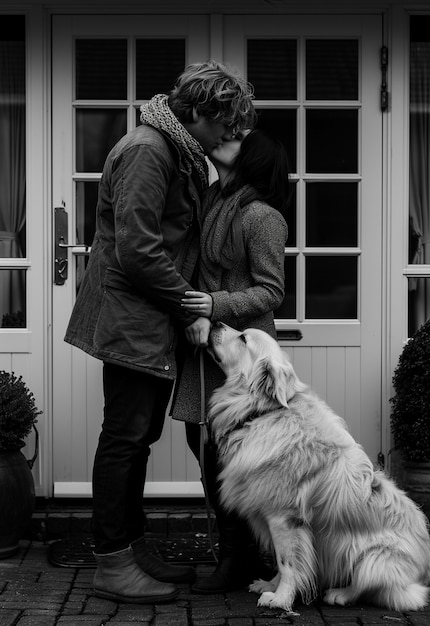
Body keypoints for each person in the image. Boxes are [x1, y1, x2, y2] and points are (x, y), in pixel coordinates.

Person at [64, 60, 256, 605]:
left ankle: (131, 547)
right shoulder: (149, 150)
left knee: (139, 435)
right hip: (132, 317)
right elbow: (139, 249)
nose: (230, 135)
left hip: (147, 317)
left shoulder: (173, 148)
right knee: (125, 437)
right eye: (224, 124)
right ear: (196, 112)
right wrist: (190, 308)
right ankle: (111, 563)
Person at [171, 128, 291, 593]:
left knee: (234, 458)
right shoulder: (211, 202)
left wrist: (214, 307)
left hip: (240, 352)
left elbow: (271, 291)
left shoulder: (262, 217)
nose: (226, 137)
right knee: (205, 451)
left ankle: (239, 559)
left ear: (254, 160)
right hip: (206, 347)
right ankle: (236, 554)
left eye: (239, 138)